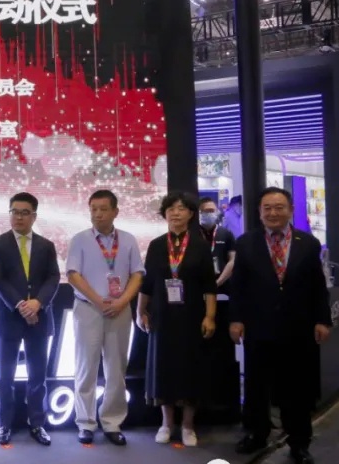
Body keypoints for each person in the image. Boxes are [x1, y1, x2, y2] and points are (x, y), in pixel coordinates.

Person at [229, 187, 331, 464]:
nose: (273, 213)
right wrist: (236, 319)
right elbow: (238, 286)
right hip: (258, 326)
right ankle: (256, 433)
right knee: (256, 384)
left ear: (291, 210)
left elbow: (318, 286)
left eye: (279, 207)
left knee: (297, 387)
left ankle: (299, 443)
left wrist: (322, 319)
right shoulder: (246, 243)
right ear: (260, 212)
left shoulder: (308, 243)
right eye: (267, 208)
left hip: (298, 327)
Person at [136, 192, 217, 447]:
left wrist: (210, 316)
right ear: (165, 213)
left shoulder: (200, 245)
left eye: (181, 208)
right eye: (171, 208)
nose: (176, 213)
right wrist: (140, 311)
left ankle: (188, 426)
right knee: (164, 367)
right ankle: (166, 423)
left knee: (190, 368)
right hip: (162, 315)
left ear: (191, 214)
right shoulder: (157, 245)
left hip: (192, 315)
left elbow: (209, 285)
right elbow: (147, 282)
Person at [65, 189, 145, 446]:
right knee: (86, 367)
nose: (97, 214)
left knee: (116, 368)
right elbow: (73, 275)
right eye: (93, 209)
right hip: (88, 308)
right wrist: (99, 301)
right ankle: (85, 422)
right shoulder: (80, 239)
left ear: (115, 212)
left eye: (103, 209)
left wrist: (122, 301)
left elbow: (137, 274)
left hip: (120, 310)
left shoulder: (128, 240)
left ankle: (112, 422)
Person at [0, 192, 60, 447]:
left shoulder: (46, 245)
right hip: (8, 318)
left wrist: (38, 304)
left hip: (38, 318)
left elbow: (53, 277)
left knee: (37, 376)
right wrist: (20, 305)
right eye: (14, 212)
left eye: (24, 213)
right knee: (3, 377)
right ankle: (4, 424)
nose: (19, 217)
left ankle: (37, 423)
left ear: (34, 216)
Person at [198, 197, 236, 290]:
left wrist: (218, 283)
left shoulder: (226, 233)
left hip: (223, 285)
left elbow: (232, 260)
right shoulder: (193, 234)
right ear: (199, 213)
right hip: (198, 286)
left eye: (212, 211)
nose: (210, 213)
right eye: (206, 211)